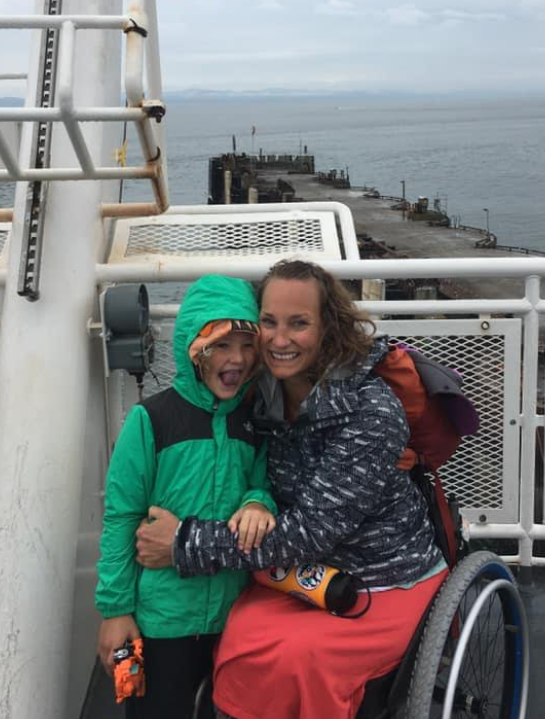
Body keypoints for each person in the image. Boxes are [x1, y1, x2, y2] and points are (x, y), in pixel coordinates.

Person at [136, 259, 448, 719]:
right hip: (298, 574)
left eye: (298, 324)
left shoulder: (370, 410)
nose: (279, 341)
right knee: (240, 643)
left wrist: (183, 542)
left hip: (384, 577)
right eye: (268, 322)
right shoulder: (257, 392)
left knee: (301, 661)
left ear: (328, 328)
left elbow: (311, 532)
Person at [95, 274, 277, 716]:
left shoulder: (255, 423)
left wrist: (258, 503)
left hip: (233, 616)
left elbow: (265, 483)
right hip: (161, 621)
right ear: (193, 349)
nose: (236, 358)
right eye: (220, 344)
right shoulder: (150, 420)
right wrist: (116, 610)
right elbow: (122, 516)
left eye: (247, 345)